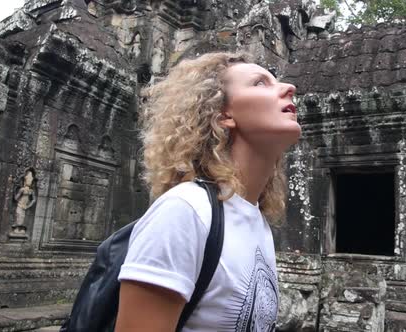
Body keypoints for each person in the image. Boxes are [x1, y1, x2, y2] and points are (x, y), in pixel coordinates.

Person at [116, 52, 300, 331]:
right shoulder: (184, 212)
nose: (289, 88)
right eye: (260, 83)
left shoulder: (257, 221)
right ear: (223, 114)